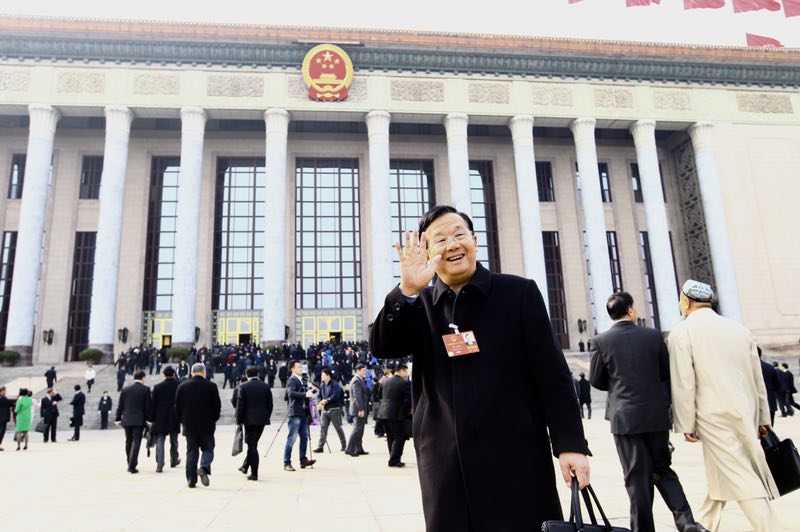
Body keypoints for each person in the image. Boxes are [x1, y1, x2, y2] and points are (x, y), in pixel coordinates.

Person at [370, 205, 590, 531]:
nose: (452, 244)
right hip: (446, 463)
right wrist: (407, 291)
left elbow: (552, 375)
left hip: (516, 458)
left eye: (459, 234)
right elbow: (383, 347)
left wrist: (570, 444)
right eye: (440, 239)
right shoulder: (422, 305)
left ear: (474, 240)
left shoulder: (518, 293)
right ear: (428, 253)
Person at [669, 280, 780, 532]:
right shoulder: (739, 330)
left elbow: (684, 382)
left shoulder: (682, 332)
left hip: (712, 415)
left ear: (685, 301)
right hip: (745, 410)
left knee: (739, 474)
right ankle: (705, 525)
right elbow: (757, 379)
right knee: (721, 474)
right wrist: (763, 417)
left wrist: (686, 422)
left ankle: (770, 527)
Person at [590, 291, 706, 532]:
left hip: (625, 419)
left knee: (636, 479)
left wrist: (617, 384)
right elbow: (665, 371)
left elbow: (596, 380)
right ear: (631, 310)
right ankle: (686, 522)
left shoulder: (601, 341)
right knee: (663, 469)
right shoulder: (653, 336)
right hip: (655, 415)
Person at [175, 363, 221, 488]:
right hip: (207, 424)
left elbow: (177, 407)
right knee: (208, 449)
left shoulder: (182, 386)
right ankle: (204, 467)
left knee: (191, 451)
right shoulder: (211, 386)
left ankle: (191, 479)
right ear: (204, 372)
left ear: (191, 372)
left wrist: (183, 420)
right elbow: (217, 406)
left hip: (189, 424)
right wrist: (213, 419)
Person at [235, 366, 273, 481]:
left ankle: (254, 473)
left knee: (252, 446)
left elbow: (240, 406)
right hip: (262, 420)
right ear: (258, 374)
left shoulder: (243, 386)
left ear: (247, 375)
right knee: (253, 444)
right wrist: (266, 416)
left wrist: (239, 420)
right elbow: (270, 405)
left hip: (249, 421)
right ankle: (245, 466)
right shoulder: (265, 386)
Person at [283, 359, 316, 471]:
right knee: (292, 439)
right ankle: (287, 462)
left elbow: (305, 393)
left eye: (301, 367)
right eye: (299, 367)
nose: (301, 369)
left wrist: (311, 391)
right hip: (295, 412)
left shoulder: (302, 380)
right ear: (292, 369)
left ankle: (303, 460)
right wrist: (305, 394)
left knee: (304, 437)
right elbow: (290, 393)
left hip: (304, 412)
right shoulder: (292, 380)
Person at [115, 370, 151, 474]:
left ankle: (129, 462)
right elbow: (148, 406)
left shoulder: (125, 389)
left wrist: (117, 418)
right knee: (136, 441)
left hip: (127, 419)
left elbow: (120, 405)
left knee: (128, 441)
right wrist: (149, 419)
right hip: (139, 420)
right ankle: (132, 465)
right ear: (142, 378)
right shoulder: (145, 389)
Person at [376, 363, 412, 467]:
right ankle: (394, 460)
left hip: (383, 412)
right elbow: (409, 398)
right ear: (401, 370)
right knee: (399, 437)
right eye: (405, 371)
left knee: (390, 437)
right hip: (395, 413)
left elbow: (379, 396)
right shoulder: (404, 383)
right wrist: (409, 409)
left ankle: (392, 457)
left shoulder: (385, 381)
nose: (406, 374)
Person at [150, 366, 181, 472]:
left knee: (160, 439)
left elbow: (153, 404)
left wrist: (152, 418)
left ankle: (160, 464)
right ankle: (174, 460)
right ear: (174, 374)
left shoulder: (157, 387)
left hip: (160, 416)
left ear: (163, 374)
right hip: (174, 415)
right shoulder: (178, 385)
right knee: (174, 439)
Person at [313, 367, 347, 453]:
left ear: (328, 375)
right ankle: (320, 447)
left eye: (323, 375)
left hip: (334, 409)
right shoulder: (322, 385)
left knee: (338, 428)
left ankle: (344, 445)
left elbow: (335, 395)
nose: (321, 377)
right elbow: (319, 395)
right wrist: (319, 401)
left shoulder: (335, 384)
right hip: (325, 410)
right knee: (323, 428)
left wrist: (327, 400)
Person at [345, 364, 369, 457]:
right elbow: (357, 396)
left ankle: (359, 448)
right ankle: (350, 449)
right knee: (357, 429)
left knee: (360, 429)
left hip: (359, 408)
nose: (364, 372)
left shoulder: (358, 379)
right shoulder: (356, 380)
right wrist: (361, 409)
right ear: (357, 370)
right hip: (358, 409)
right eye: (363, 370)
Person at [758, 348, 780, 425]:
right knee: (769, 426)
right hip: (770, 400)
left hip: (753, 403)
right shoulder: (770, 367)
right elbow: (777, 384)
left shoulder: (747, 368)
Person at [0, 386, 14, 450]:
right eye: (5, 391)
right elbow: (8, 402)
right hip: (2, 417)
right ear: (2, 391)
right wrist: (18, 399)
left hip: (2, 417)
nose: (6, 392)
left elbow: (9, 403)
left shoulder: (3, 398)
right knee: (1, 431)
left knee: (2, 431)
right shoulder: (2, 398)